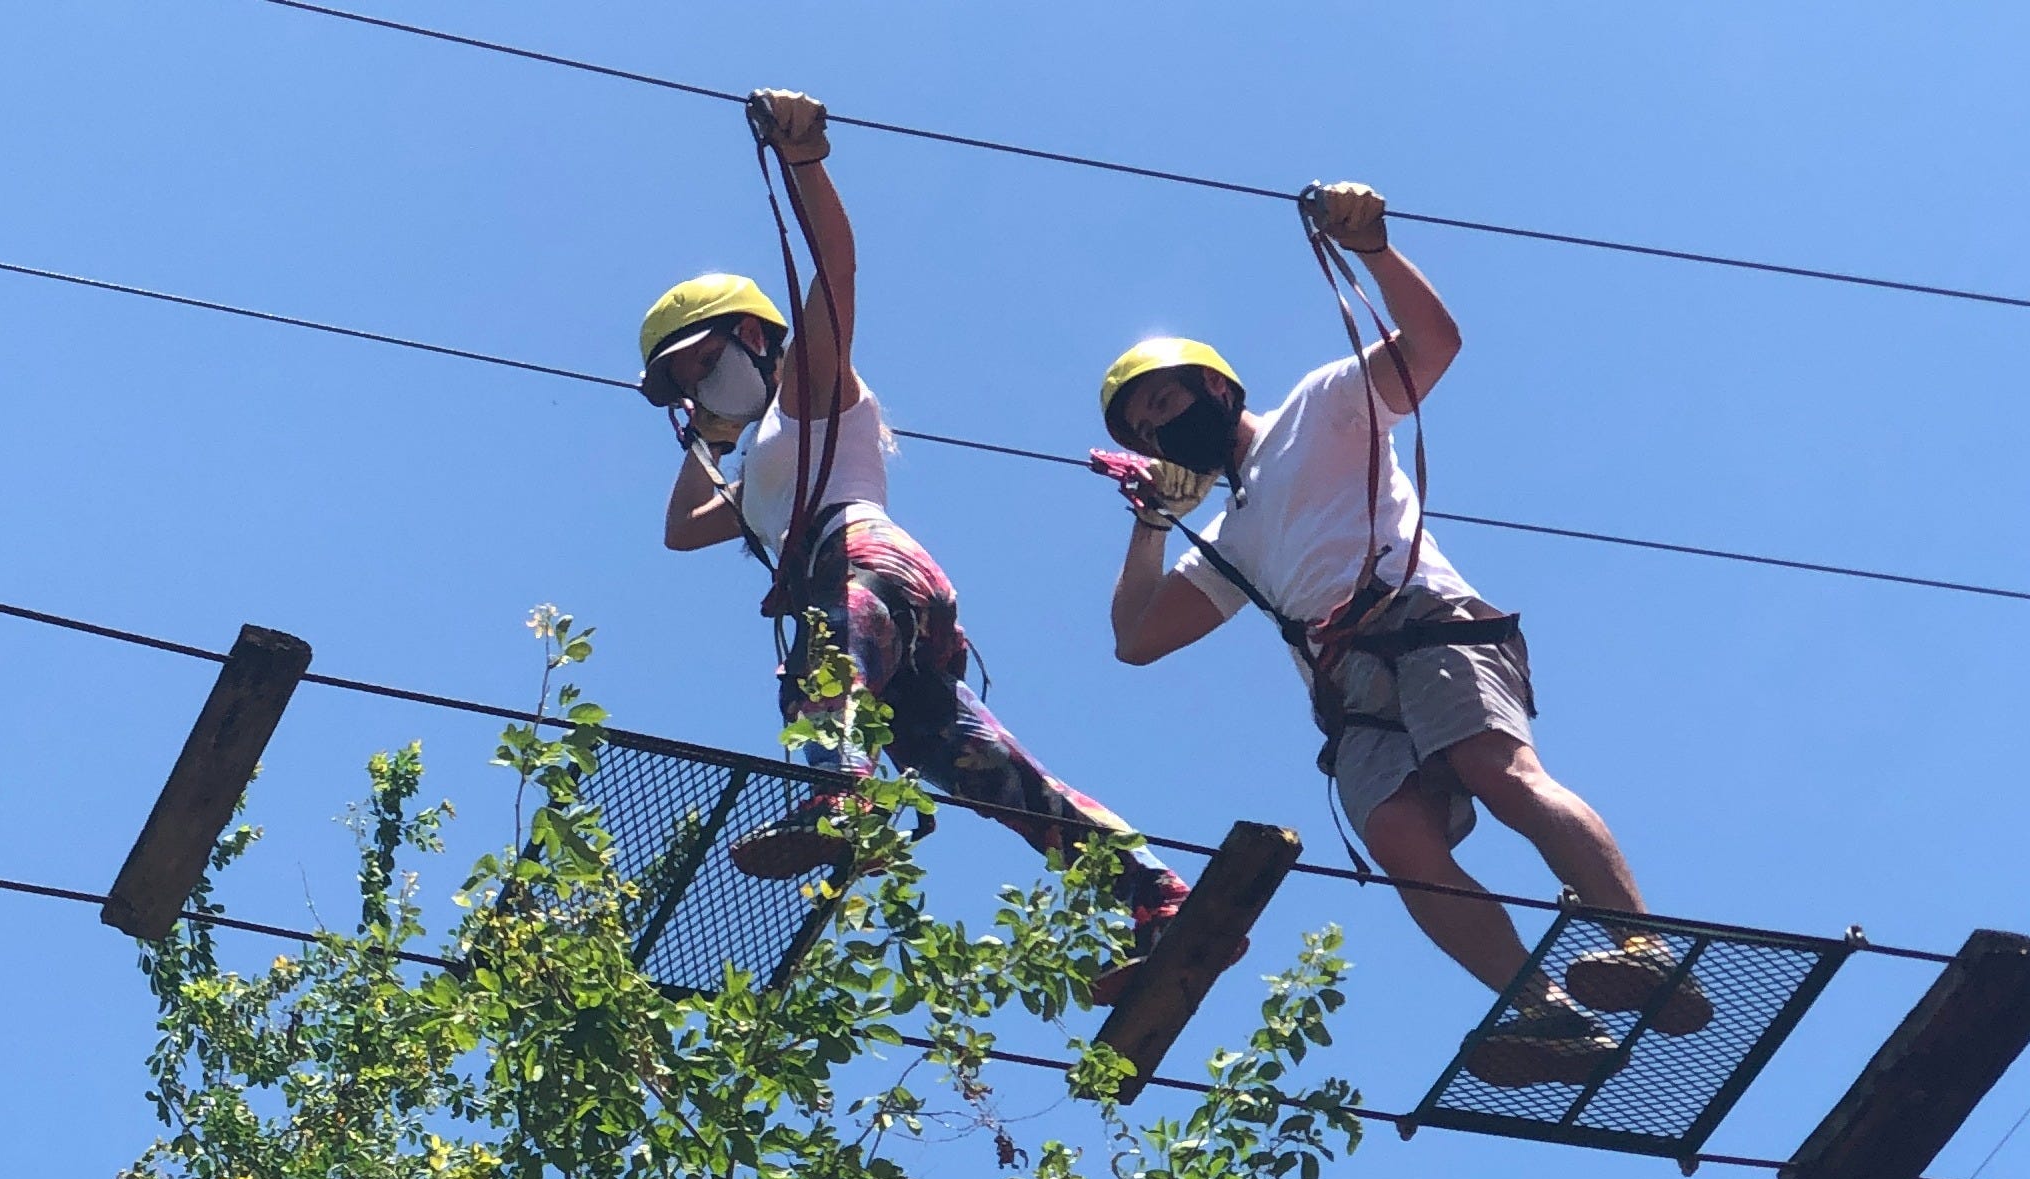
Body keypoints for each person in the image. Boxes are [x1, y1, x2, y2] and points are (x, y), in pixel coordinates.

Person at [1090, 181, 1703, 1085]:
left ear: (1215, 386)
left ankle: (1640, 944)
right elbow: (1135, 639)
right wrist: (1148, 522)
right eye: (1146, 432)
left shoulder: (1320, 402)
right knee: (1400, 841)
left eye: (1166, 406)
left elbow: (1434, 345)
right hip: (1351, 690)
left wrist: (1374, 249)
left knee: (1498, 773)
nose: (1162, 432)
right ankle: (1549, 1016)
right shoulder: (1228, 538)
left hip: (1423, 621)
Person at [643, 89, 1193, 986]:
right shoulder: (760, 473)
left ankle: (840, 799)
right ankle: (1155, 895)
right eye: (682, 381)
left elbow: (837, 270)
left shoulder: (811, 395)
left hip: (869, 570)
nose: (701, 383)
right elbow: (679, 531)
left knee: (818, 669)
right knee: (993, 775)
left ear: (752, 337)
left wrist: (805, 162)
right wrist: (706, 430)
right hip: (903, 636)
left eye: (706, 359)